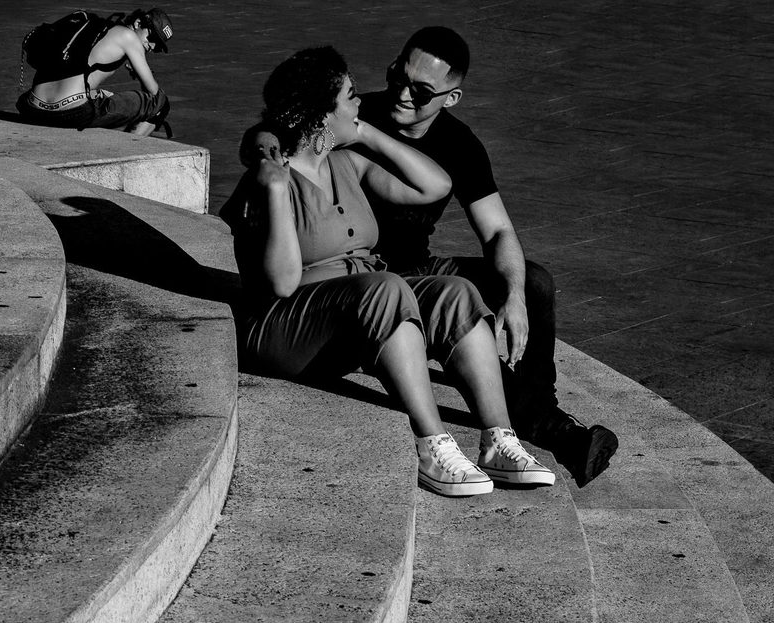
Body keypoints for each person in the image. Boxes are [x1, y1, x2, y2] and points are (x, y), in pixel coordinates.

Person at [245, 27, 618, 487]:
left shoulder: (371, 147)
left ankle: (508, 435)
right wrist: (270, 157)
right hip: (344, 294)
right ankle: (444, 444)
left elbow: (462, 204)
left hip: (400, 274)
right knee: (392, 290)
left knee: (497, 289)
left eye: (421, 91)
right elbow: (277, 127)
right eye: (394, 78)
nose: (400, 94)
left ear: (451, 96)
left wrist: (515, 295)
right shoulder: (286, 166)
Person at [17, 8, 173, 136]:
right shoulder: (128, 37)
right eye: (152, 37)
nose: (152, 46)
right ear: (138, 23)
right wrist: (140, 75)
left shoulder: (95, 30)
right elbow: (152, 92)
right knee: (161, 104)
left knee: (101, 96)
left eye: (158, 46)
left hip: (31, 108)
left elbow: (76, 77)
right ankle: (129, 151)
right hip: (70, 114)